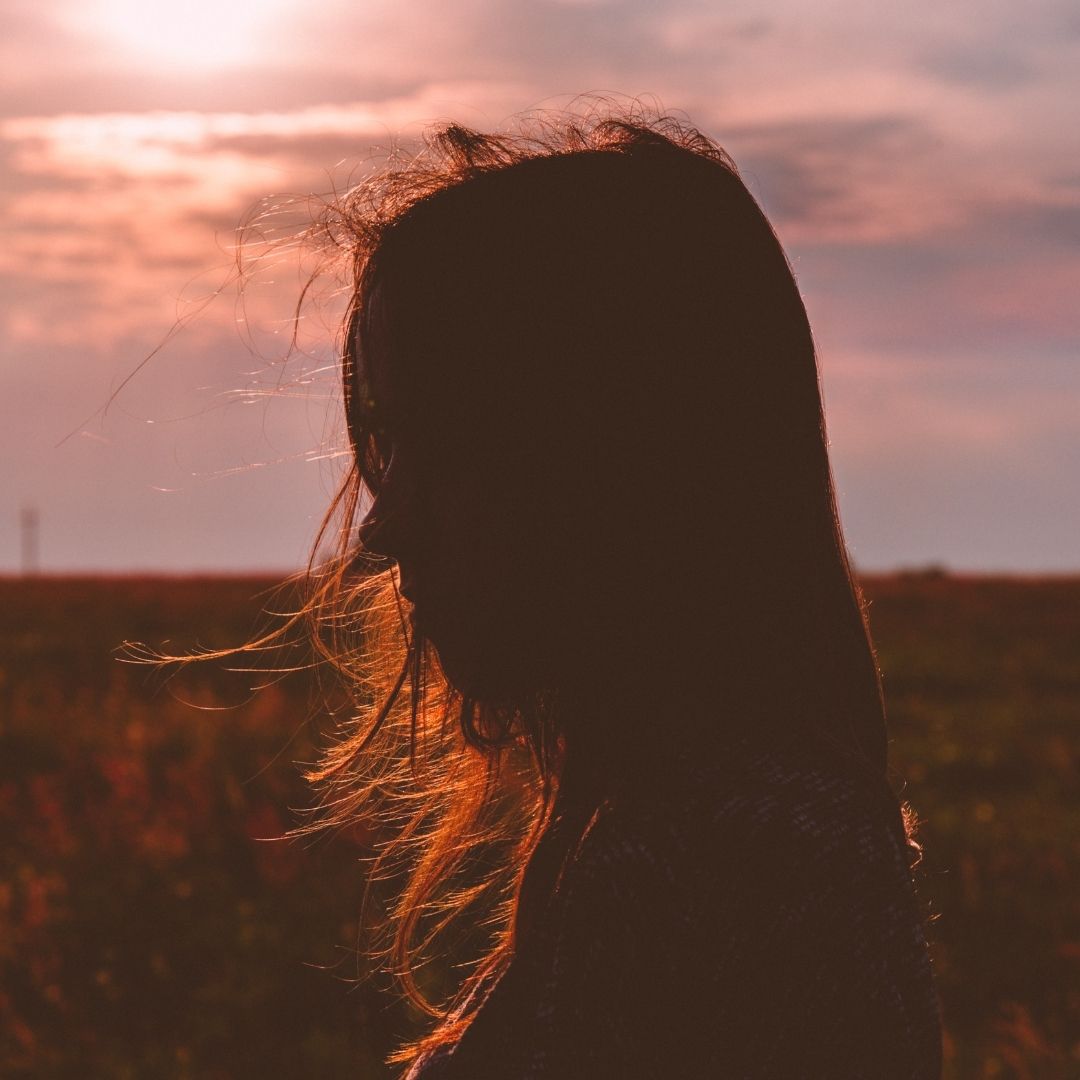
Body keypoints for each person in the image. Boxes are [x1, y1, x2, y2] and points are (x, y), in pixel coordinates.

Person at [300, 106, 943, 1078]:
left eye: (454, 442)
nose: (382, 525)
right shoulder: (708, 827)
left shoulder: (724, 865)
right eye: (388, 445)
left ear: (618, 458)